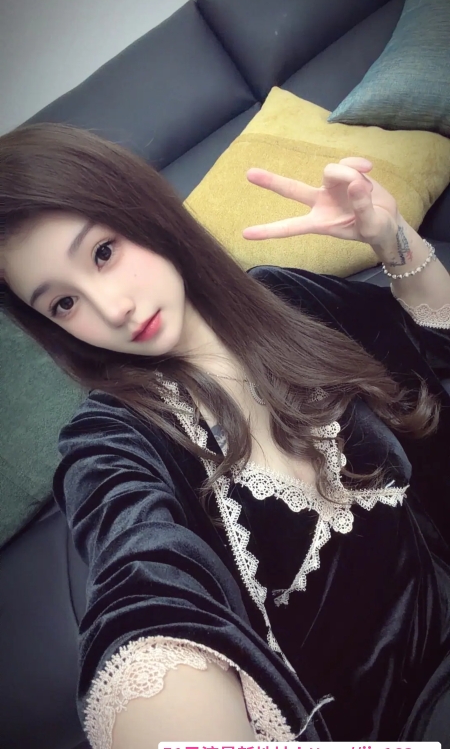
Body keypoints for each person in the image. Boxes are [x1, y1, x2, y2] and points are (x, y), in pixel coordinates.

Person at [1, 123, 450, 749]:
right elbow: (139, 577)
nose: (112, 308)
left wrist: (391, 237)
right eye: (63, 304)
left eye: (103, 253)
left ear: (145, 213)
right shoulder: (112, 440)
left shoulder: (284, 298)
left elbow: (431, 352)